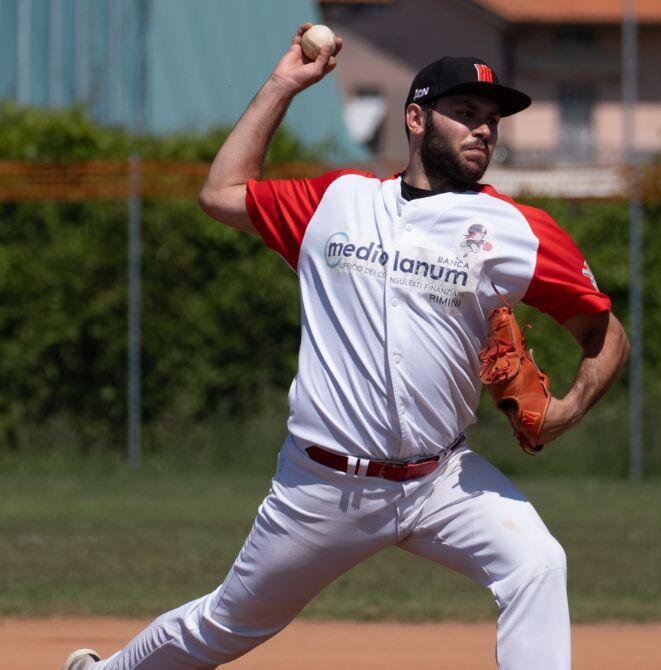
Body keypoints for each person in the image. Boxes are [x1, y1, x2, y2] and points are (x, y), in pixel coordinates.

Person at [62, 23, 629, 670]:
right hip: (325, 484)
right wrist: (284, 84)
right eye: (465, 113)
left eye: (492, 120)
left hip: (443, 478)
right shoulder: (337, 202)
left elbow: (605, 331)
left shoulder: (515, 229)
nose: (484, 130)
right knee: (226, 624)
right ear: (415, 118)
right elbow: (219, 193)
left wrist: (568, 410)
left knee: (536, 564)